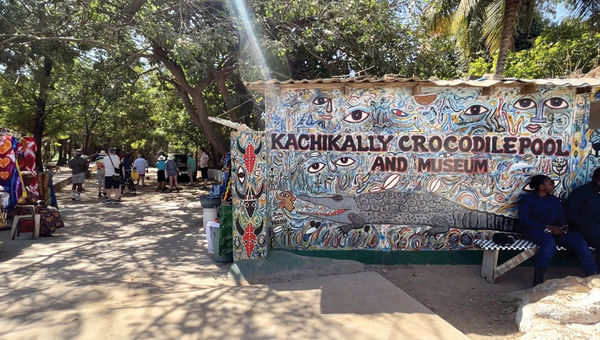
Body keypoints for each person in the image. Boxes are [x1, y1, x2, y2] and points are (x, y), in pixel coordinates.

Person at [518, 174, 597, 286]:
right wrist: (548, 227)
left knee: (578, 240)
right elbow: (525, 221)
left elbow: (561, 217)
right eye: (550, 183)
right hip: (534, 230)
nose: (553, 185)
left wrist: (563, 227)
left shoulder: (553, 200)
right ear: (541, 187)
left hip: (555, 230)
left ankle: (592, 274)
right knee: (549, 242)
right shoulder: (527, 200)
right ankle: (538, 280)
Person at [567, 167, 600, 265]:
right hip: (585, 228)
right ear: (597, 180)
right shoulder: (580, 193)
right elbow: (571, 216)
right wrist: (595, 225)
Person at [14, 171, 64, 236]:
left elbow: (32, 199)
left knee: (53, 209)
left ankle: (46, 230)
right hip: (25, 209)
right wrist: (32, 202)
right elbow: (20, 202)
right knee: (47, 212)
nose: (31, 181)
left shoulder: (27, 187)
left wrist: (38, 202)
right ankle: (44, 231)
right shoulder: (20, 189)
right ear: (24, 180)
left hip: (32, 207)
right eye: (29, 179)